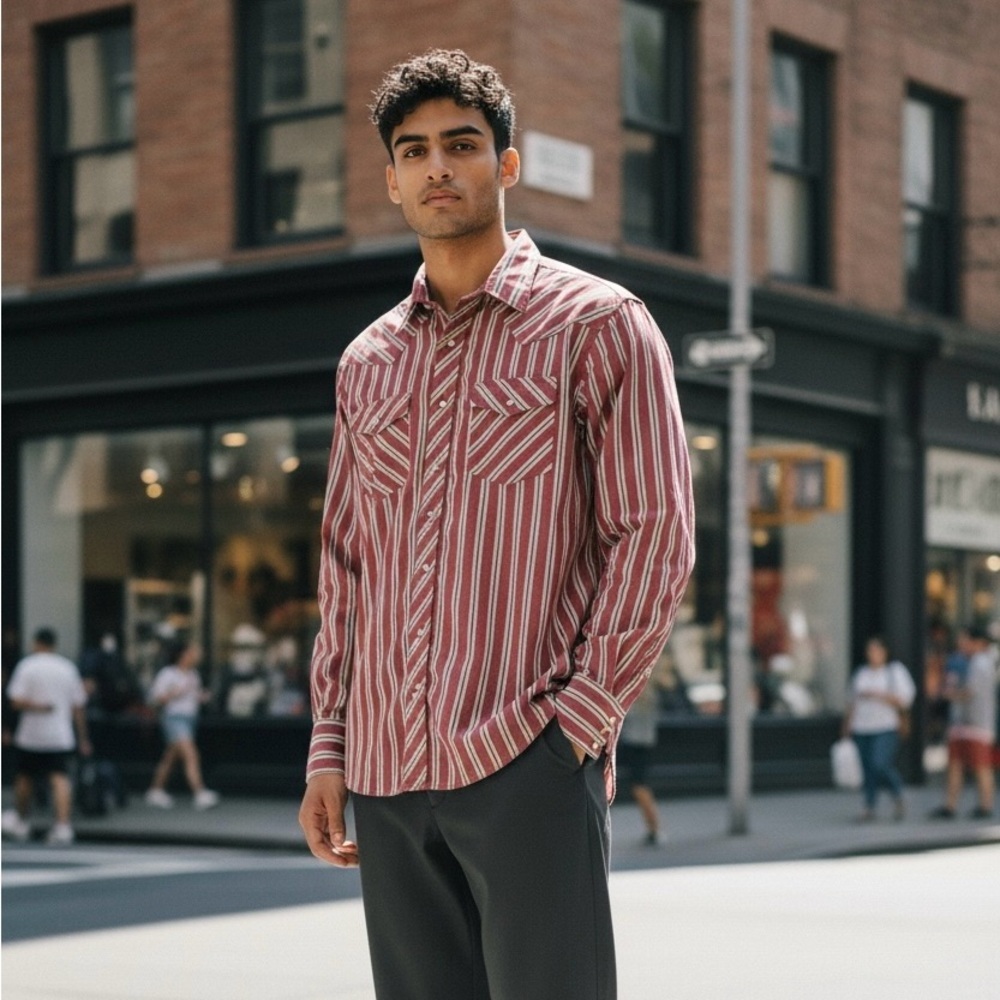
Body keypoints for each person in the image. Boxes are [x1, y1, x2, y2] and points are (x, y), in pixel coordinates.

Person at [298, 49, 695, 1000]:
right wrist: (331, 744)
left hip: (525, 759)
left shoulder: (599, 324)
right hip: (387, 773)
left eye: (463, 145)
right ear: (391, 179)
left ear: (505, 166)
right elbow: (348, 566)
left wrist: (579, 725)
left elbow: (655, 534)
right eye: (416, 150)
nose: (440, 167)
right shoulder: (368, 362)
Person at [2, 627, 91, 844]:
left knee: (25, 777)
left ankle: (21, 821)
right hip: (60, 733)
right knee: (59, 778)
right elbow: (78, 707)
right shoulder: (67, 668)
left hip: (31, 734)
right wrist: (83, 738)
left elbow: (14, 700)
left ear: (36, 643)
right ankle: (62, 826)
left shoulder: (27, 666)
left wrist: (37, 707)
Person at [842, 635, 916, 822]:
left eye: (877, 650)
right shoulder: (861, 673)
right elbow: (852, 701)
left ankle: (898, 793)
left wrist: (878, 694)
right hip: (862, 726)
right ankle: (869, 806)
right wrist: (847, 725)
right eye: (870, 650)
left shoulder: (895, 671)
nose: (873, 654)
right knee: (867, 769)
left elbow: (905, 700)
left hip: (886, 726)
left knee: (879, 763)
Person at [931, 625, 997, 819]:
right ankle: (950, 805)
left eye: (965, 640)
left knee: (980, 765)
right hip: (962, 722)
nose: (962, 644)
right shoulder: (964, 661)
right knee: (955, 764)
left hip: (977, 723)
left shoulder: (981, 662)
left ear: (977, 642)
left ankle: (985, 805)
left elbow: (971, 691)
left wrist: (949, 695)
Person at [144, 642, 219, 810]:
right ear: (182, 655)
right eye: (190, 653)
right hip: (174, 718)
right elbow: (155, 699)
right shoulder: (167, 674)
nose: (193, 656)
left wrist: (201, 697)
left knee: (170, 758)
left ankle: (155, 790)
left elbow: (194, 696)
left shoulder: (193, 675)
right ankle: (199, 792)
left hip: (190, 719)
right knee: (191, 754)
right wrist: (175, 693)